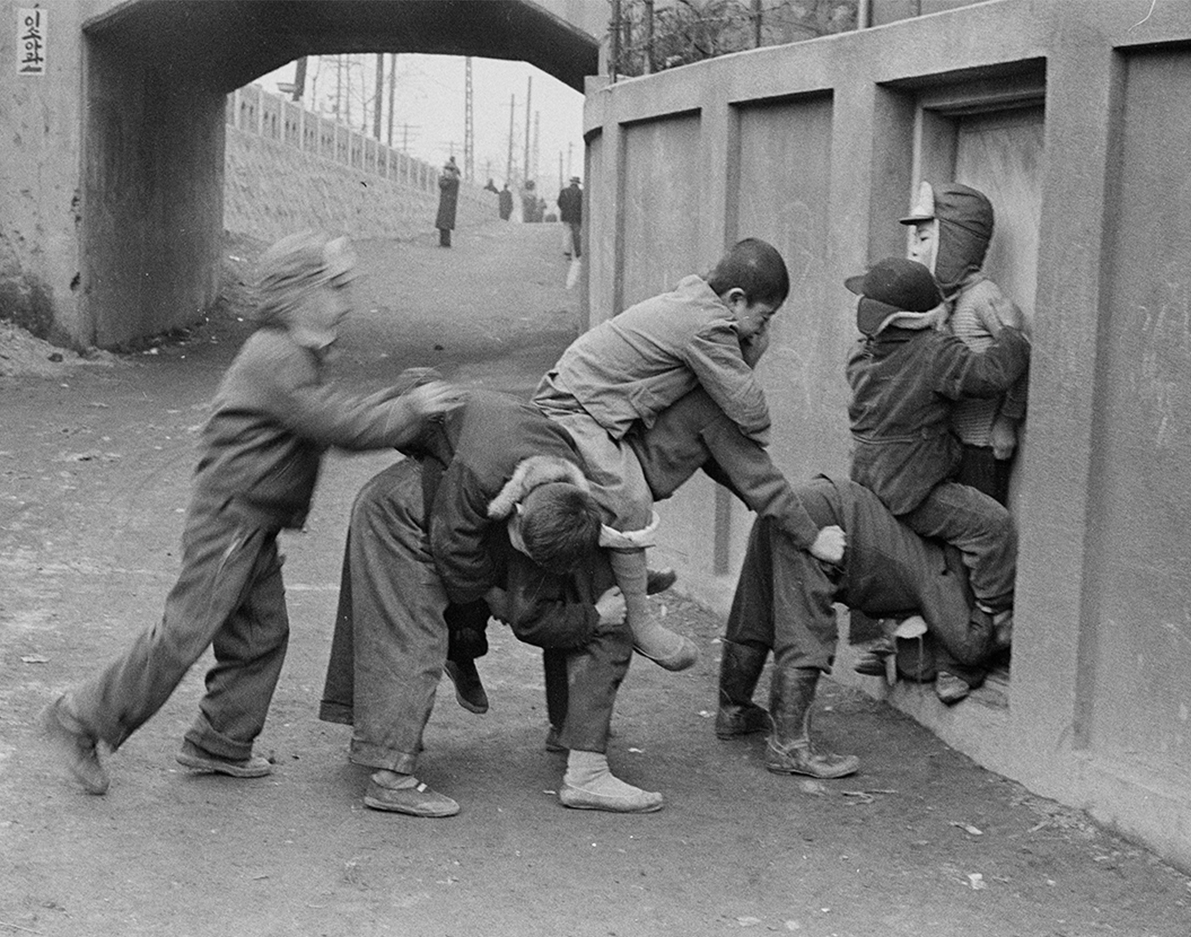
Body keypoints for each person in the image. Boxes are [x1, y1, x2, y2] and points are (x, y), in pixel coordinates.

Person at [39, 231, 462, 795]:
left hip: (252, 522)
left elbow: (332, 411)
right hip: (232, 521)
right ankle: (81, 717)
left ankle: (219, 742)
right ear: (298, 294)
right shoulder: (276, 356)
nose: (346, 301)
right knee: (184, 634)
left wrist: (398, 403)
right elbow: (333, 423)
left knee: (261, 634)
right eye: (334, 288)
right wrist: (407, 411)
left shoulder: (292, 350)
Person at [319, 391, 662, 816]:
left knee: (470, 591)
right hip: (397, 518)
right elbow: (455, 554)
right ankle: (391, 777)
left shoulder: (566, 482)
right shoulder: (478, 478)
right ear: (515, 509)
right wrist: (508, 601)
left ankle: (461, 656)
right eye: (523, 544)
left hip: (432, 492)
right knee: (412, 635)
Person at [532, 238, 845, 674]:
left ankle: (631, 574)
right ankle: (640, 621)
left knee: (632, 492)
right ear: (735, 301)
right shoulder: (708, 326)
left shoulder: (696, 305)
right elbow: (752, 414)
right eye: (764, 317)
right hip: (574, 409)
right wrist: (752, 355)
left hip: (593, 406)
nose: (761, 329)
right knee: (630, 499)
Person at [719, 475, 999, 777]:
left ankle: (733, 711)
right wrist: (990, 611)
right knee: (806, 626)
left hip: (797, 502)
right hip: (823, 521)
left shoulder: (917, 542)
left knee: (755, 607)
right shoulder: (940, 570)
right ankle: (788, 747)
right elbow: (967, 646)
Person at [844, 256, 1030, 702]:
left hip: (870, 482)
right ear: (922, 317)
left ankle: (899, 638)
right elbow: (991, 375)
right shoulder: (934, 351)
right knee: (992, 527)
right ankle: (989, 623)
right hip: (914, 488)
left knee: (914, 559)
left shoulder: (860, 354)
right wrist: (1010, 332)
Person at [902, 181, 1027, 509]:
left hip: (981, 445)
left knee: (981, 520)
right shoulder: (946, 300)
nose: (913, 250)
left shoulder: (984, 297)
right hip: (950, 443)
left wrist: (1007, 422)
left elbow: (1021, 356)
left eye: (924, 239)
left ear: (954, 243)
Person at [435, 157, 461, 247]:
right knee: (445, 224)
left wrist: (441, 177)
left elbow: (442, 185)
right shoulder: (455, 180)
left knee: (444, 224)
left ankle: (445, 243)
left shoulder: (450, 180)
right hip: (449, 204)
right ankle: (445, 242)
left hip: (446, 204)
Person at [557, 175, 583, 260]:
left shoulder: (564, 191)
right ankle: (578, 253)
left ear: (571, 182)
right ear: (578, 184)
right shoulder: (580, 193)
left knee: (567, 234)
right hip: (577, 217)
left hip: (566, 216)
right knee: (577, 235)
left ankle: (567, 253)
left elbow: (559, 203)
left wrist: (565, 210)